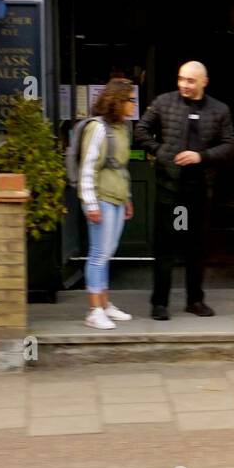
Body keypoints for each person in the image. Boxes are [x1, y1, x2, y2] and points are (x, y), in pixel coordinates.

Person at [134, 61, 234, 320]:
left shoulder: (219, 110)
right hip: (169, 187)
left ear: (204, 81)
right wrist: (162, 152)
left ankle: (195, 300)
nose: (184, 85)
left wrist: (200, 156)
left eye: (190, 81)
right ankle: (160, 303)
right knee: (165, 247)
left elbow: (229, 145)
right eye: (181, 79)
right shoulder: (163, 102)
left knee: (197, 248)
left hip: (200, 189)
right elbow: (141, 131)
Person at [79, 78, 136, 330]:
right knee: (98, 254)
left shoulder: (123, 127)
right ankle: (94, 310)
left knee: (107, 252)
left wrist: (127, 198)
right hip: (100, 197)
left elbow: (120, 167)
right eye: (130, 100)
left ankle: (104, 304)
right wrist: (90, 204)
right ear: (118, 101)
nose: (133, 105)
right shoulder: (98, 128)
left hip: (116, 196)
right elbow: (87, 168)